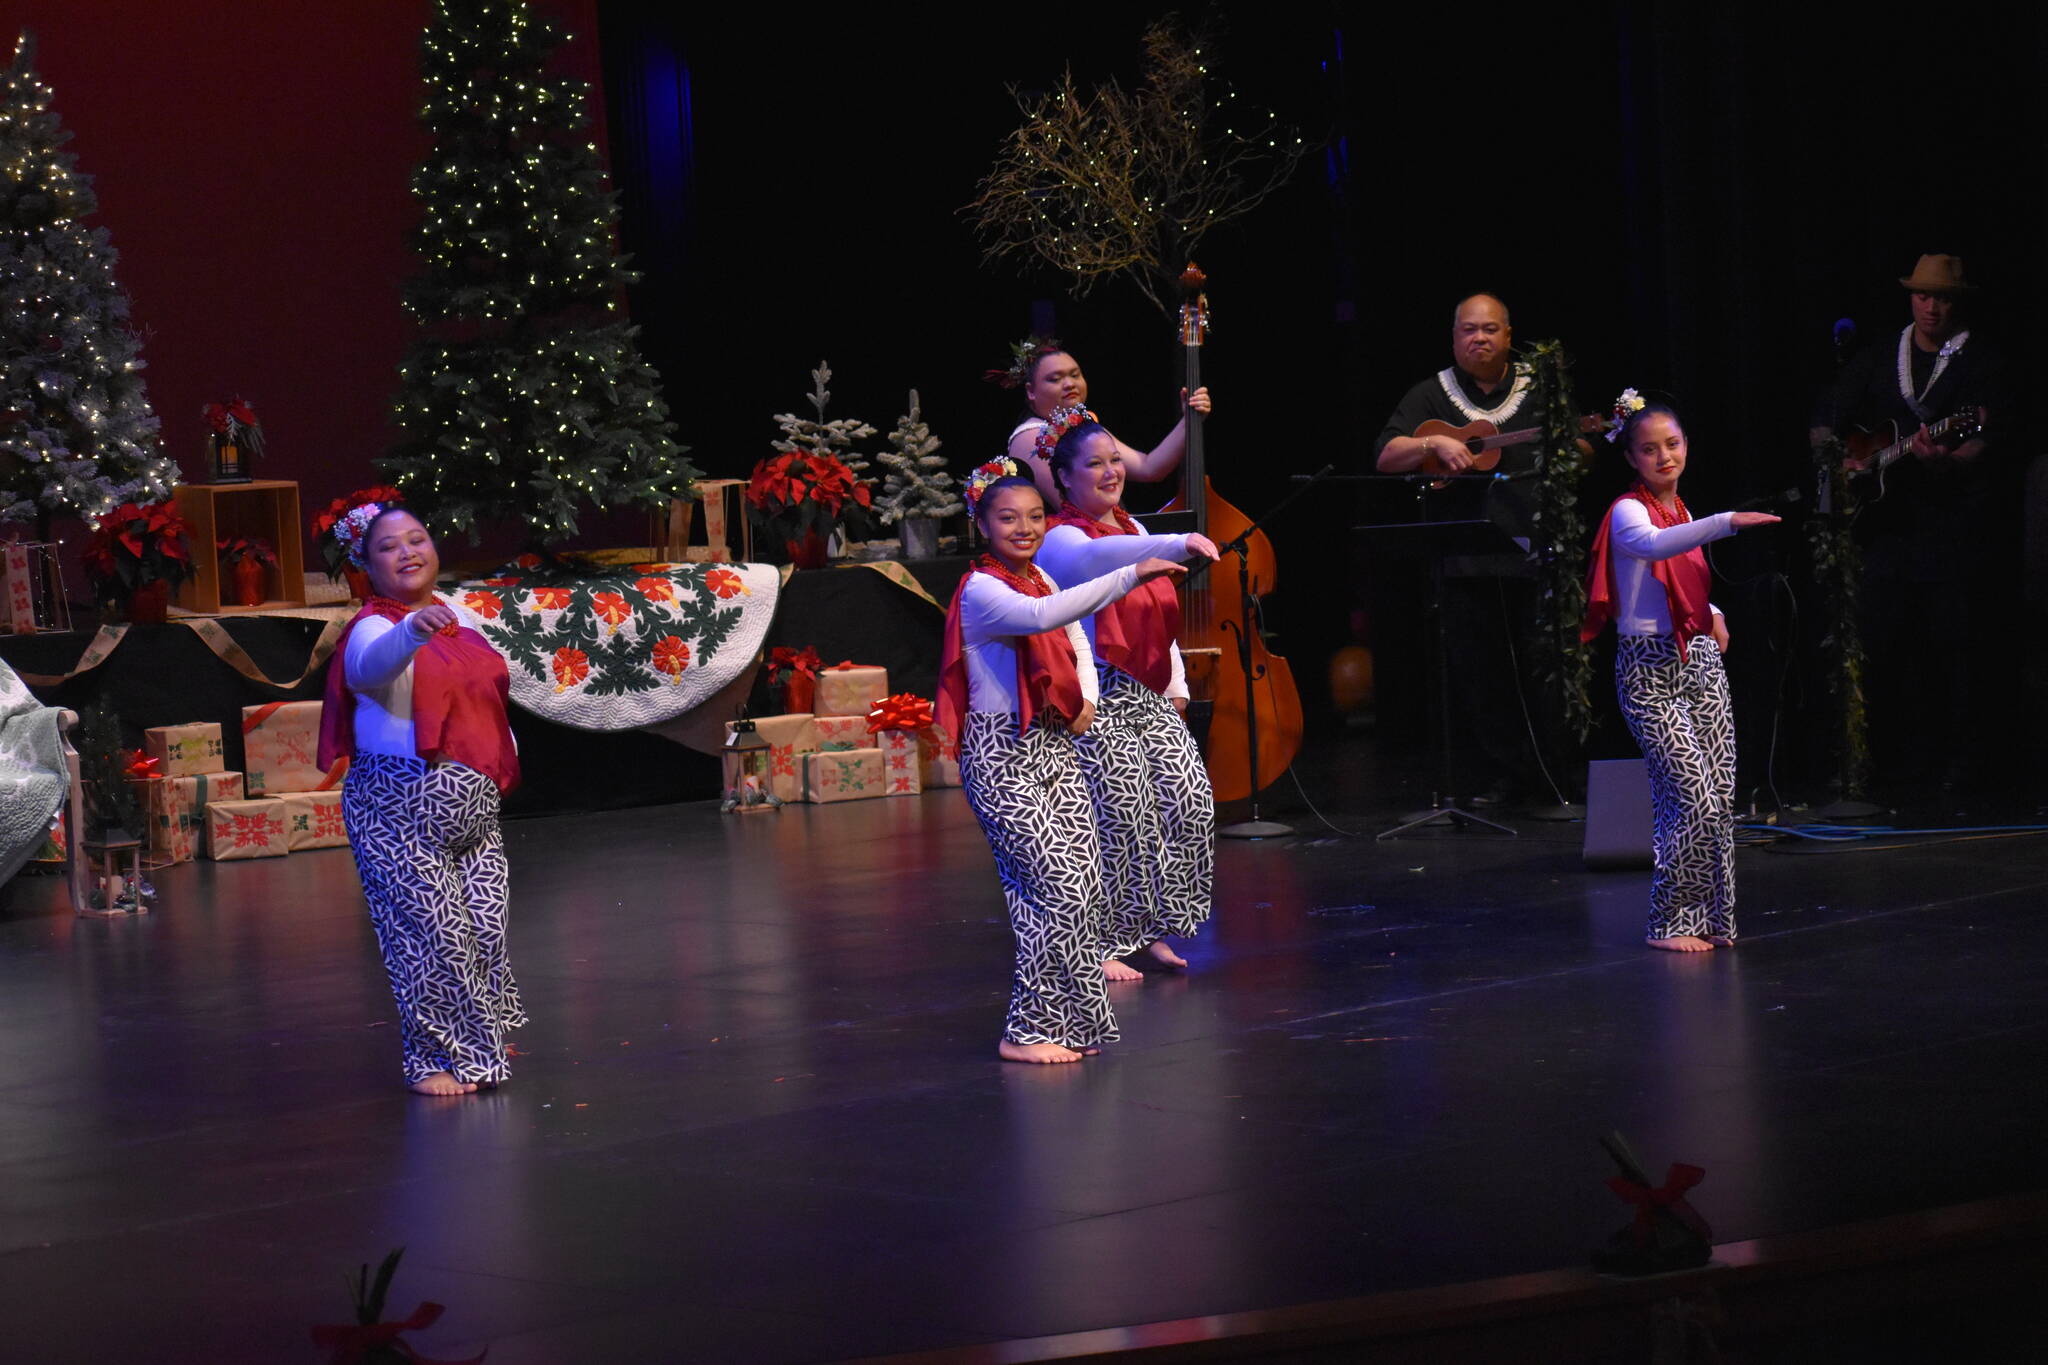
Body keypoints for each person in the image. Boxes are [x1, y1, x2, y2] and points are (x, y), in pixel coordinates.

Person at [938, 459, 1188, 1063]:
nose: (1024, 529)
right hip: (1002, 755)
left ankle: (1070, 1022)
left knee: (1081, 891)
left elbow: (1075, 636)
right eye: (1008, 519)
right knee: (1056, 888)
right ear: (981, 525)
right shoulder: (983, 589)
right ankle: (1025, 1032)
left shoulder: (1039, 577)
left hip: (1053, 747)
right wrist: (1130, 573)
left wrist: (1088, 701)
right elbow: (1041, 618)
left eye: (1033, 517)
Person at [317, 503, 524, 1095]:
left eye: (417, 539)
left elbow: (486, 696)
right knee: (433, 940)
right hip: (397, 808)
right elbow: (366, 671)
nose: (407, 552)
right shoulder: (373, 626)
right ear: (366, 565)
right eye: (388, 546)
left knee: (484, 934)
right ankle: (432, 1060)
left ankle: (479, 1039)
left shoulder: (460, 618)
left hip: (474, 810)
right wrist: (412, 630)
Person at [1582, 394, 1780, 951]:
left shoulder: (1683, 511)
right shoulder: (1629, 510)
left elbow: (1684, 579)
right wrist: (1727, 522)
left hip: (1699, 662)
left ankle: (1714, 917)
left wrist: (1713, 612)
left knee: (1717, 795)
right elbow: (1651, 549)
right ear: (1632, 458)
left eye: (1672, 444)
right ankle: (1670, 921)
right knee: (1691, 796)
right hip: (1649, 672)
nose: (1664, 456)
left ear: (1687, 446)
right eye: (1649, 449)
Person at [1811, 253, 2012, 797]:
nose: (1931, 307)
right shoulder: (1881, 355)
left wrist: (1946, 461)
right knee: (1883, 644)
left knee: (1954, 649)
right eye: (1922, 296)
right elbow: (1826, 418)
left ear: (1957, 303)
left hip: (1952, 528)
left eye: (1941, 298)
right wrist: (1840, 462)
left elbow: (1986, 438)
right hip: (1886, 529)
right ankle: (1883, 766)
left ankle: (1962, 768)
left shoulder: (1981, 361)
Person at [1036, 410, 1220, 980]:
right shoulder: (1060, 539)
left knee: (1188, 802)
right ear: (1064, 478)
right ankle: (1102, 941)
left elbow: (1160, 617)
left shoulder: (1133, 529)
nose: (1111, 471)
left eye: (1116, 459)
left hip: (1149, 691)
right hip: (1098, 692)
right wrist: (1181, 539)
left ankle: (1152, 928)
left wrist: (1177, 685)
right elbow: (1099, 559)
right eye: (1095, 464)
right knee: (1122, 816)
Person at [1371, 293, 1545, 805]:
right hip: (1462, 562)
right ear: (1453, 338)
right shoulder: (1431, 394)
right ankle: (1493, 782)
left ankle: (1548, 779)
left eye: (1490, 329)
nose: (1479, 338)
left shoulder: (1540, 389)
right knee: (1477, 677)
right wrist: (1432, 444)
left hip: (1533, 557)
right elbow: (1386, 455)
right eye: (1469, 330)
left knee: (1539, 672)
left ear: (1508, 335)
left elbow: (1579, 450)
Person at [991, 338, 1213, 505]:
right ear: (1031, 391)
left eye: (1075, 375)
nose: (1069, 384)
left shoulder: (1082, 425)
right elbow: (1074, 507)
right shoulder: (1030, 435)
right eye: (1055, 379)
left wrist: (1189, 419)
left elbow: (1149, 468)